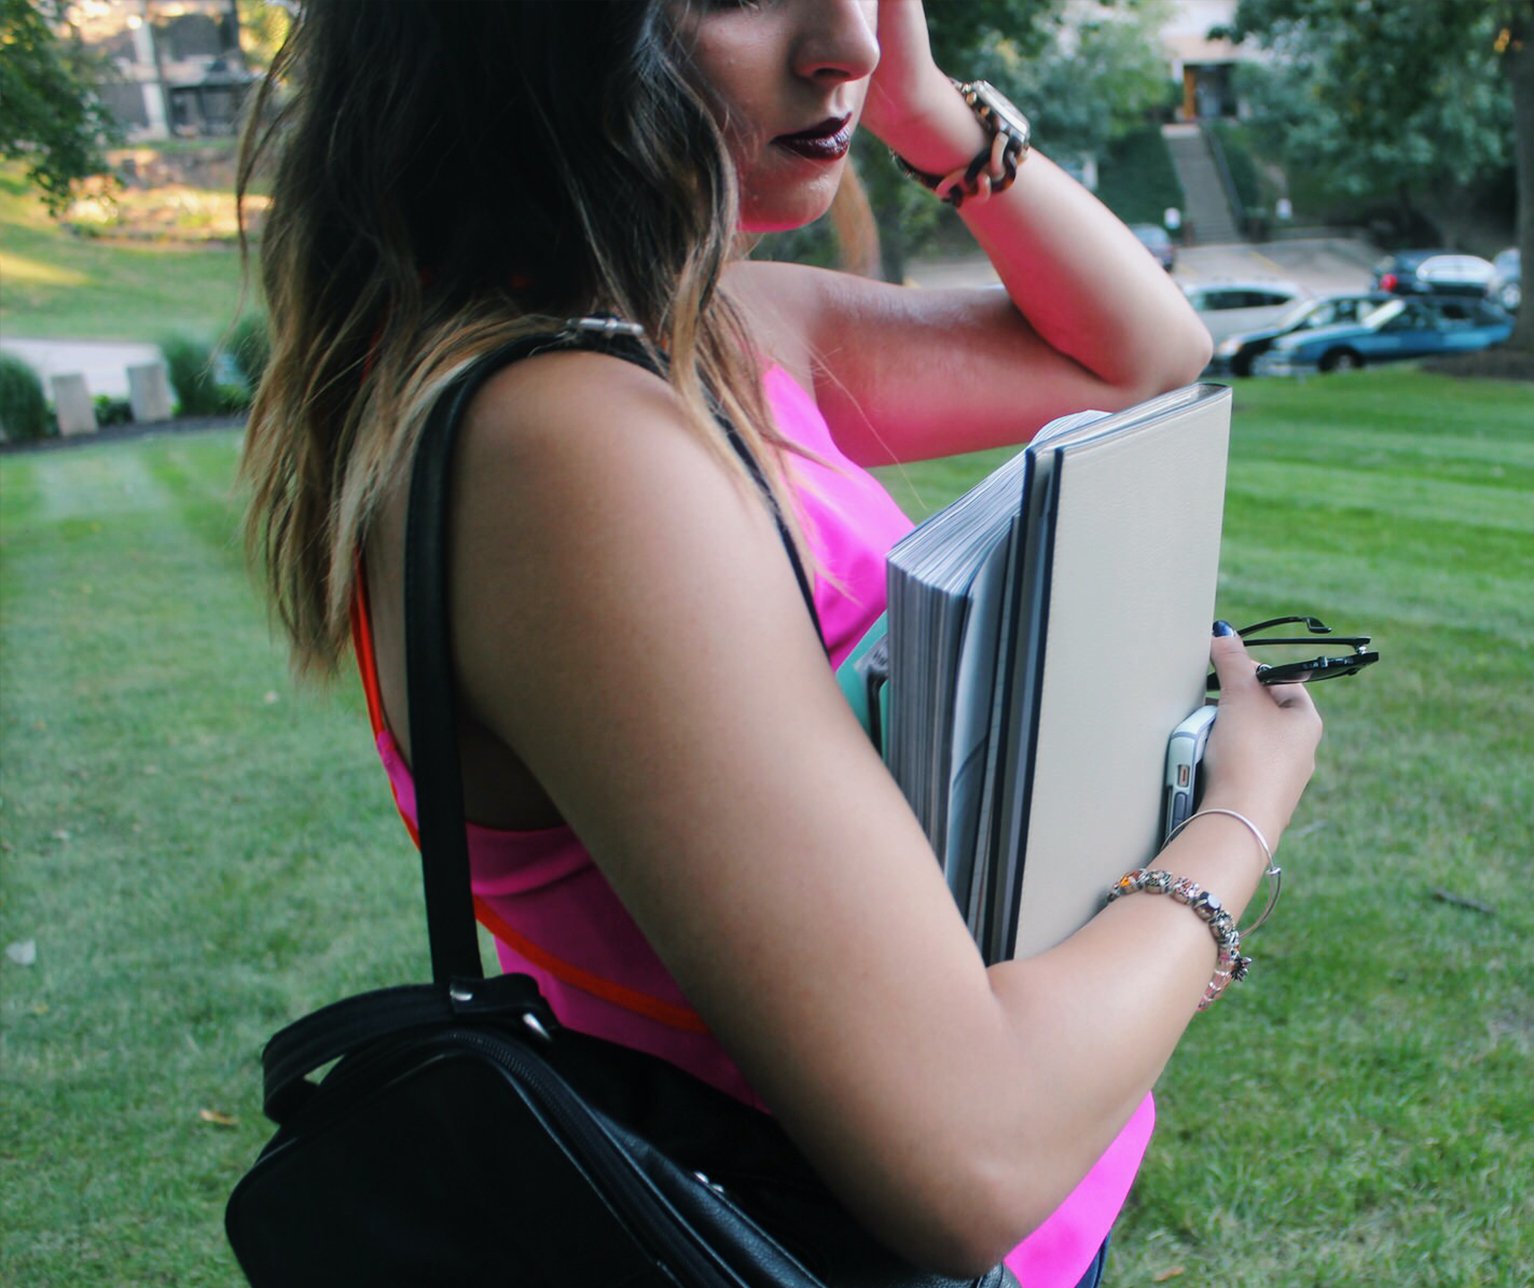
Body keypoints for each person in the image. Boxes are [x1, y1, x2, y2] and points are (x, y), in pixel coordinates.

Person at [237, 2, 1323, 1285]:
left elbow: (1145, 353)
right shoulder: (570, 449)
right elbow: (976, 1154)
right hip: (799, 1240)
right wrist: (1237, 810)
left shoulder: (713, 333)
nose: (847, 44)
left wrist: (929, 113)